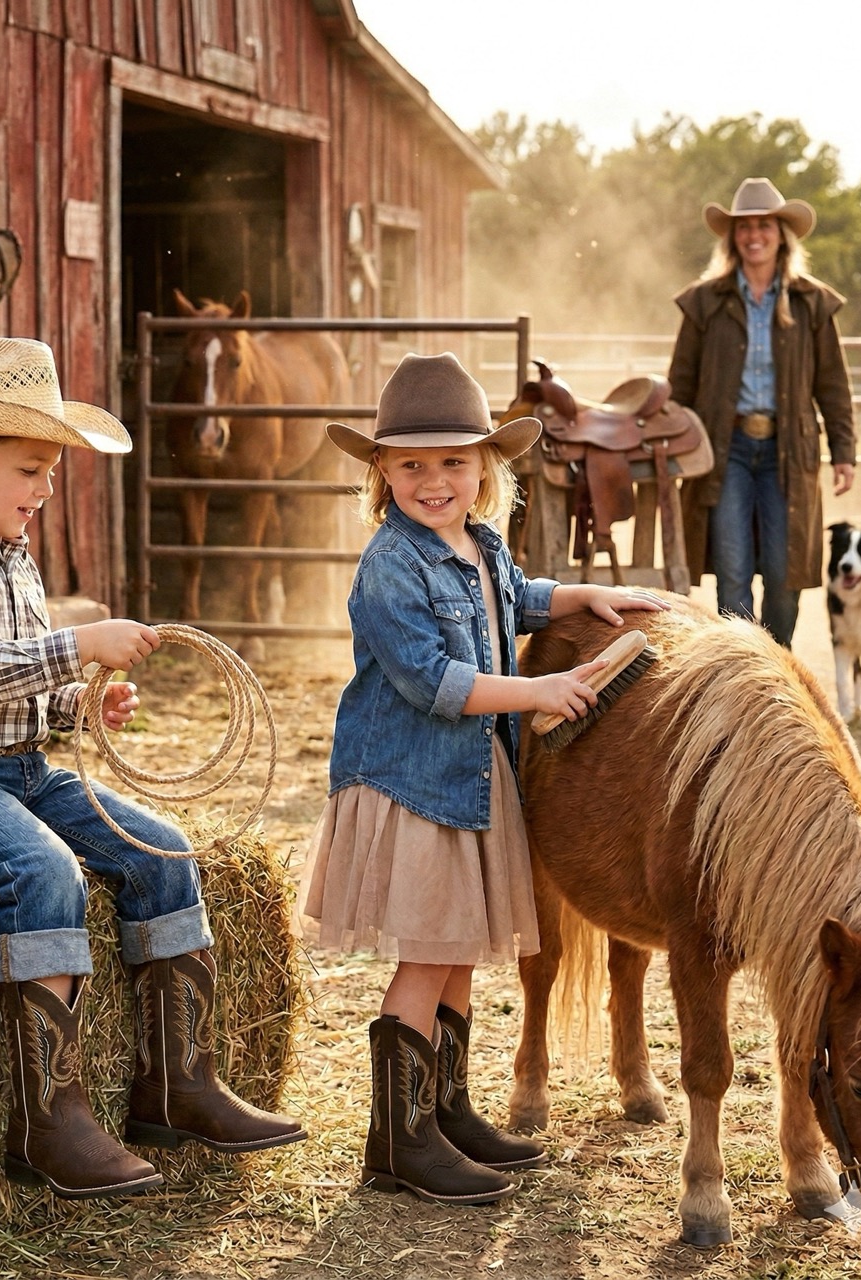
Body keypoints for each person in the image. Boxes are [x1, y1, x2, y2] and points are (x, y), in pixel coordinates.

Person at [0, 336, 304, 1202]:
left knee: (160, 847)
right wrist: (76, 645)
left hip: (19, 765)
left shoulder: (10, 554)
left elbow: (18, 690)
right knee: (43, 869)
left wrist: (79, 707)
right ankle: (46, 1118)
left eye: (49, 471)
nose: (46, 490)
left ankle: (176, 1082)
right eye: (31, 469)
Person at [299, 352, 669, 1205]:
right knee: (428, 954)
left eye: (454, 462)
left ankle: (447, 1110)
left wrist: (582, 597)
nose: (434, 481)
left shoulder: (482, 542)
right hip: (413, 784)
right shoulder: (390, 567)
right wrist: (538, 689)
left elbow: (516, 598)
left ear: (484, 470)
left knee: (459, 949)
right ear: (382, 474)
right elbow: (431, 680)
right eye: (413, 464)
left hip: (469, 781)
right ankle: (395, 1142)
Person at [669, 176, 856, 647]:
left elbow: (832, 384)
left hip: (788, 450)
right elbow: (681, 382)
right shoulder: (705, 302)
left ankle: (778, 666)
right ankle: (741, 674)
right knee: (732, 572)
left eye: (764, 225)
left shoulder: (812, 303)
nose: (754, 235)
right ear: (733, 236)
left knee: (784, 573)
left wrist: (844, 451)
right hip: (725, 449)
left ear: (781, 233)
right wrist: (674, 445)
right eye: (744, 226)